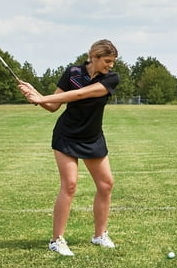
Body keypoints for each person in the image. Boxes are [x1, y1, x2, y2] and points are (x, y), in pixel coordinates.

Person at [18, 40, 120, 256]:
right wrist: (35, 96)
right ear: (93, 56)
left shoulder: (111, 79)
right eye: (107, 61)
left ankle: (99, 235)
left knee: (106, 184)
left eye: (112, 61)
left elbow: (80, 94)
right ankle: (57, 240)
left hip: (92, 137)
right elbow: (53, 106)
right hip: (67, 135)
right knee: (70, 185)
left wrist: (42, 97)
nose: (110, 65)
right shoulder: (72, 72)